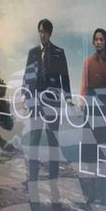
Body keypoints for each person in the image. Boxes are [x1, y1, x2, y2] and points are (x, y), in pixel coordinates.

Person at [22, 18, 72, 183]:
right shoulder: (33, 53)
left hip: (52, 101)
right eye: (40, 31)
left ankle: (53, 177)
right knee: (34, 138)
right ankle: (33, 177)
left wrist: (68, 98)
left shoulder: (58, 52)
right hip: (35, 101)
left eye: (45, 32)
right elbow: (27, 75)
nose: (42, 35)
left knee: (52, 139)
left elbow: (64, 77)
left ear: (50, 33)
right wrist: (24, 94)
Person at [80, 28, 106, 148]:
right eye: (96, 39)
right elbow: (84, 84)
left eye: (101, 39)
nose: (98, 42)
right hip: (92, 105)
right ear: (93, 42)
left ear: (105, 42)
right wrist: (82, 101)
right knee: (91, 143)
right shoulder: (88, 62)